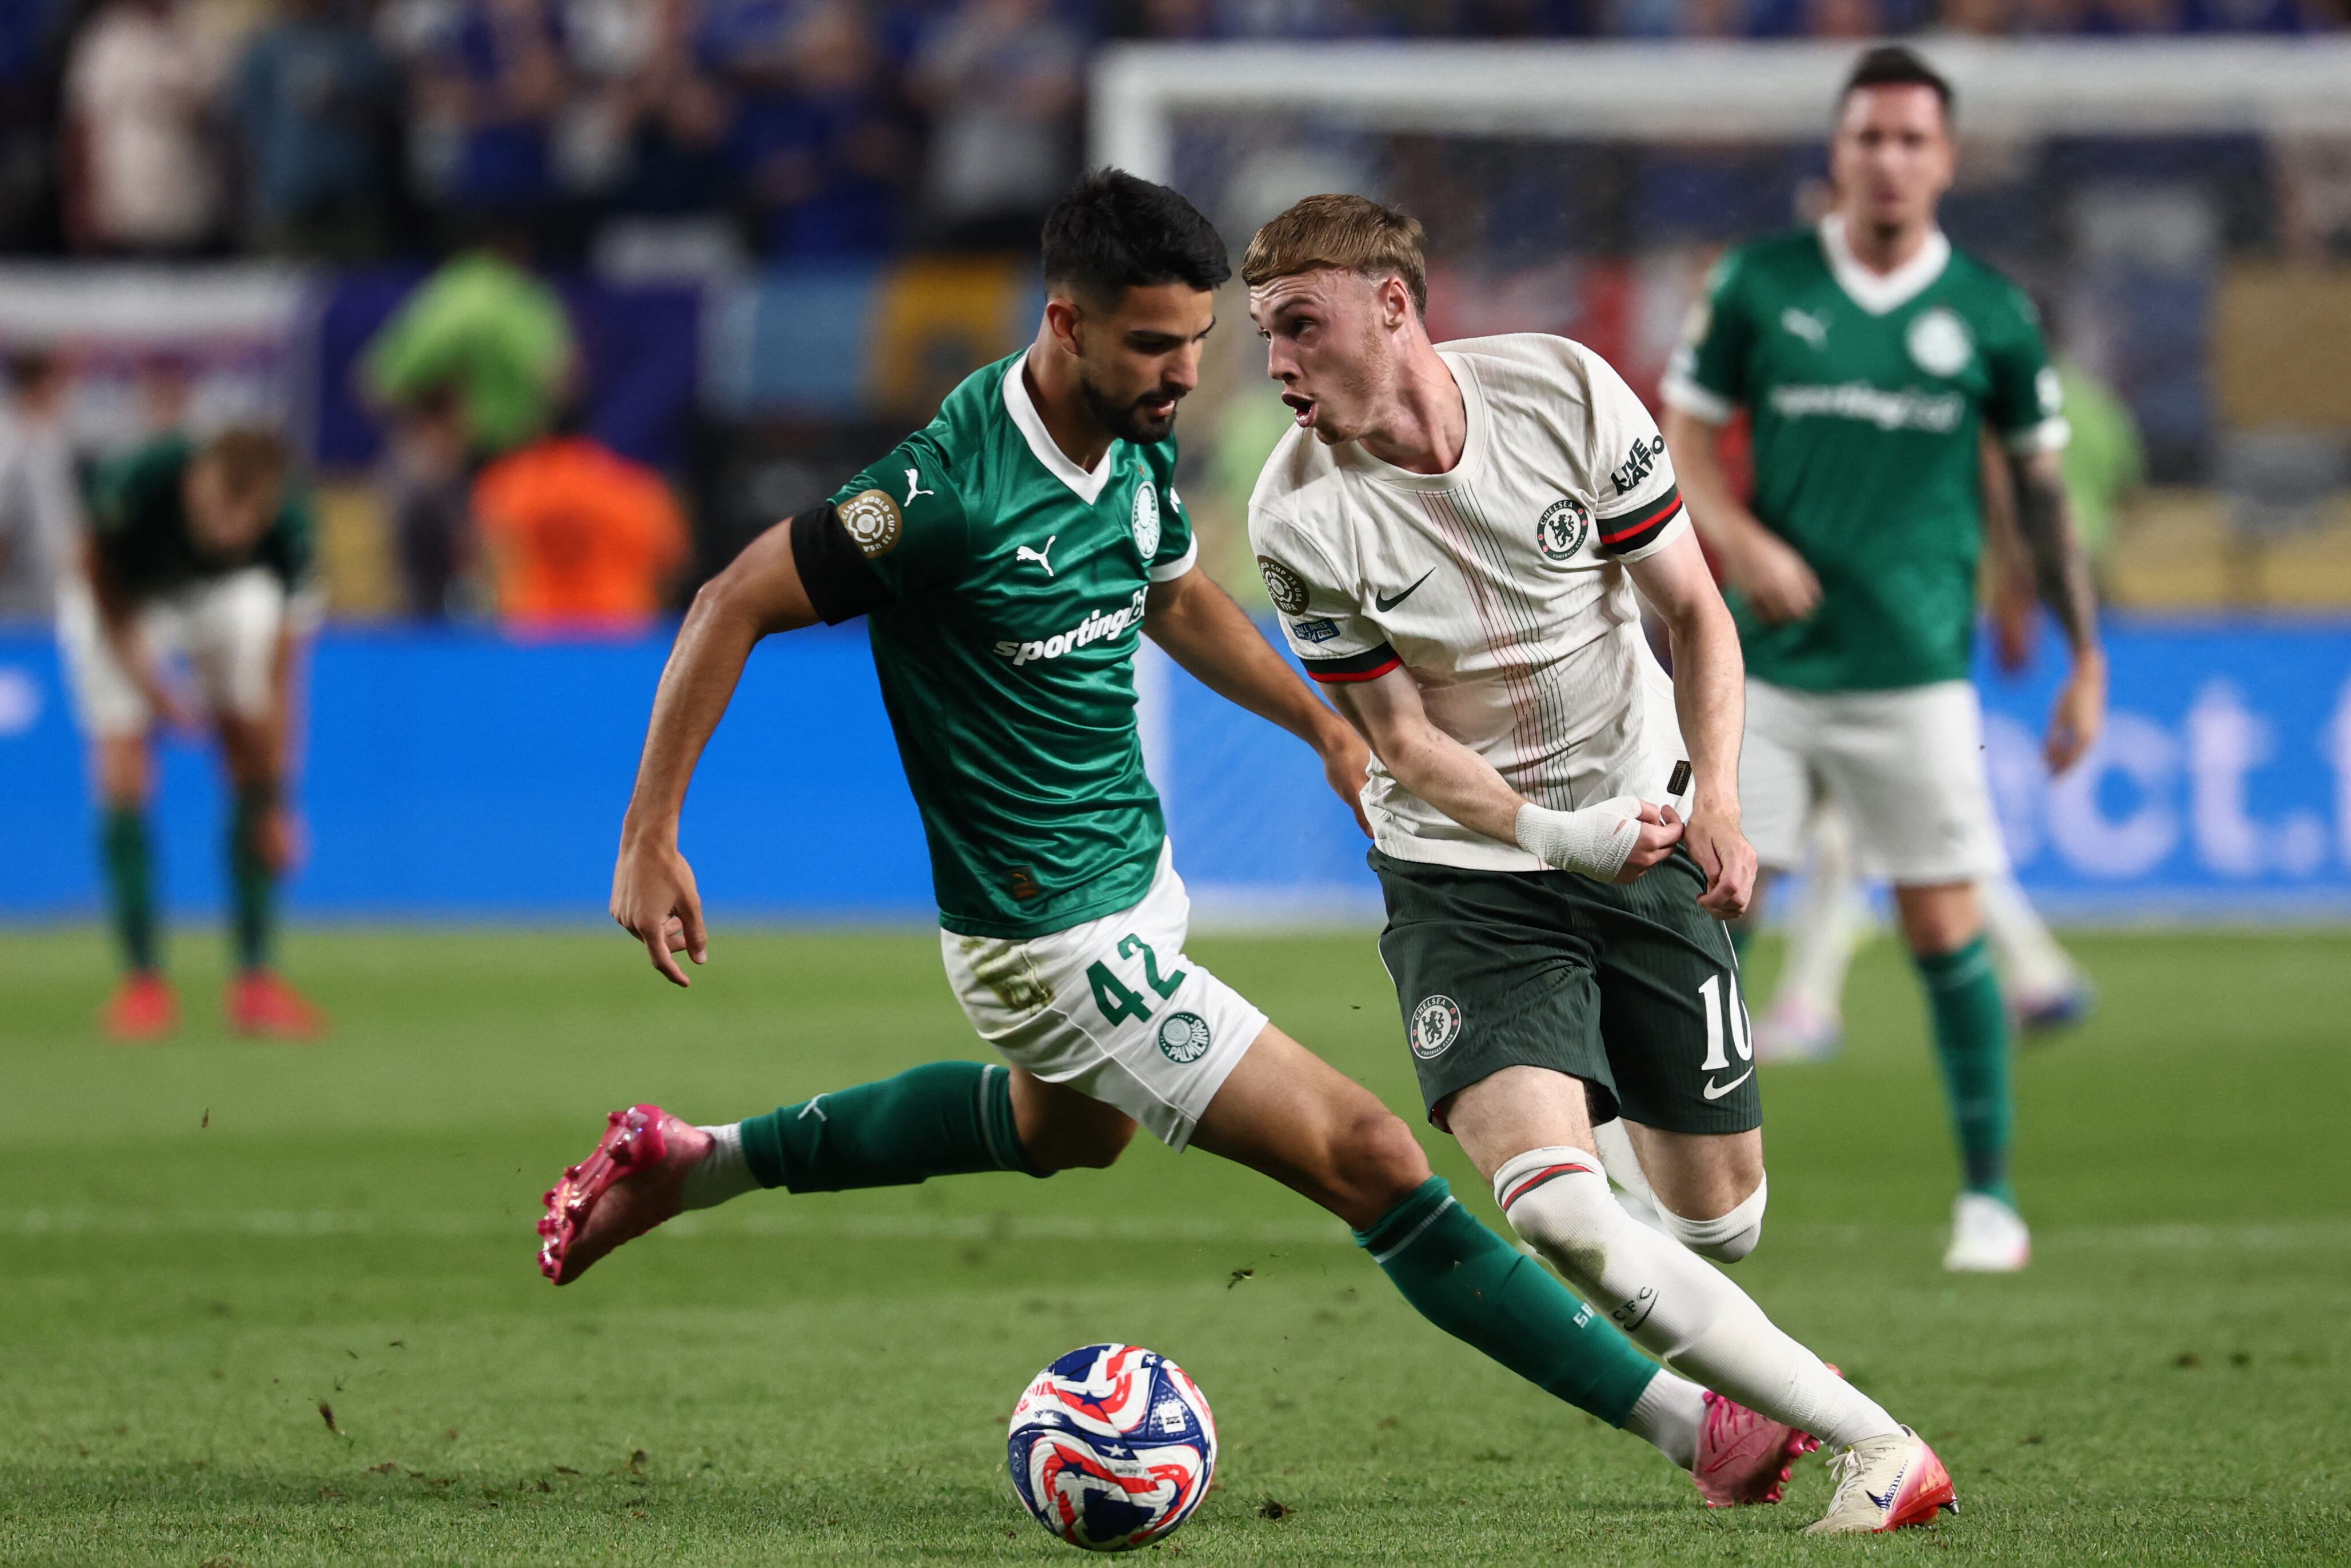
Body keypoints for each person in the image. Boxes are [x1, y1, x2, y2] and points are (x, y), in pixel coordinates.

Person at [537, 170, 1830, 1521]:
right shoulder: (945, 492)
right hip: (1048, 936)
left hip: (1133, 886)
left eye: (1198, 341)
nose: (1189, 373)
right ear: (1065, 323)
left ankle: (694, 1157)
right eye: (1155, 345)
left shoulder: (1131, 440)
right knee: (1373, 1157)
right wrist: (649, 834)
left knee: (1061, 1132)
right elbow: (729, 597)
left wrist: (1326, 729)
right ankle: (1692, 1422)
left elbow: (1175, 592)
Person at [1242, 193, 1956, 1537]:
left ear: (1393, 307)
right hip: (1468, 875)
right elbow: (1396, 740)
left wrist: (1723, 802)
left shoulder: (1564, 391)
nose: (1274, 362)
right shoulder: (1294, 516)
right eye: (1262, 333)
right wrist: (1550, 832)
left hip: (1649, 829)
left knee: (1719, 1221)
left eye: (1299, 325)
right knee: (1557, 1212)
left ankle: (1634, 1143)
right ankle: (1873, 1442)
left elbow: (1692, 609)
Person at [1659, 46, 2105, 1272]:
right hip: (1770, 674)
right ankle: (1675, 1183)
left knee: (1942, 926)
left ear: (1945, 160)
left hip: (1914, 672)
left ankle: (1987, 1200)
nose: (1890, 158)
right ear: (1837, 152)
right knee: (1713, 911)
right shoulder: (1760, 285)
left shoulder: (1994, 315)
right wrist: (1737, 537)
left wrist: (2084, 660)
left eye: (1913, 139)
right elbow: (1679, 444)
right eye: (1869, 137)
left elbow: (2042, 491)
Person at [67, 426, 329, 1040]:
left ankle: (256, 981)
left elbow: (283, 684)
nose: (230, 530)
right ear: (197, 480)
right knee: (123, 761)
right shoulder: (140, 485)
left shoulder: (291, 535)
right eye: (217, 508)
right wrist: (158, 694)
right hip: (125, 607)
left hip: (218, 601)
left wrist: (278, 802)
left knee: (248, 750)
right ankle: (143, 985)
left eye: (248, 515)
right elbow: (97, 580)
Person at [469, 427, 690, 635]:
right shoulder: (639, 490)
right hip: (622, 627)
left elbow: (487, 562)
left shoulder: (507, 485)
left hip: (531, 627)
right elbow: (673, 563)